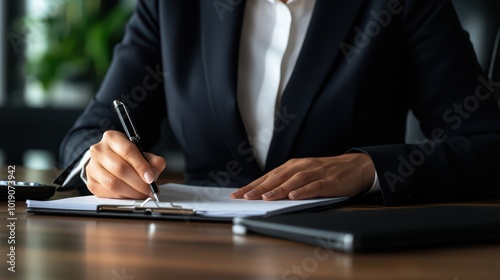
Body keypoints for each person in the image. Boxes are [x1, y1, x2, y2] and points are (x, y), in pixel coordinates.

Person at [55, 0, 500, 205]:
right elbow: (87, 135)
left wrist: (368, 168)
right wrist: (100, 161)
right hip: (195, 252)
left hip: (347, 254)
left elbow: (488, 146)